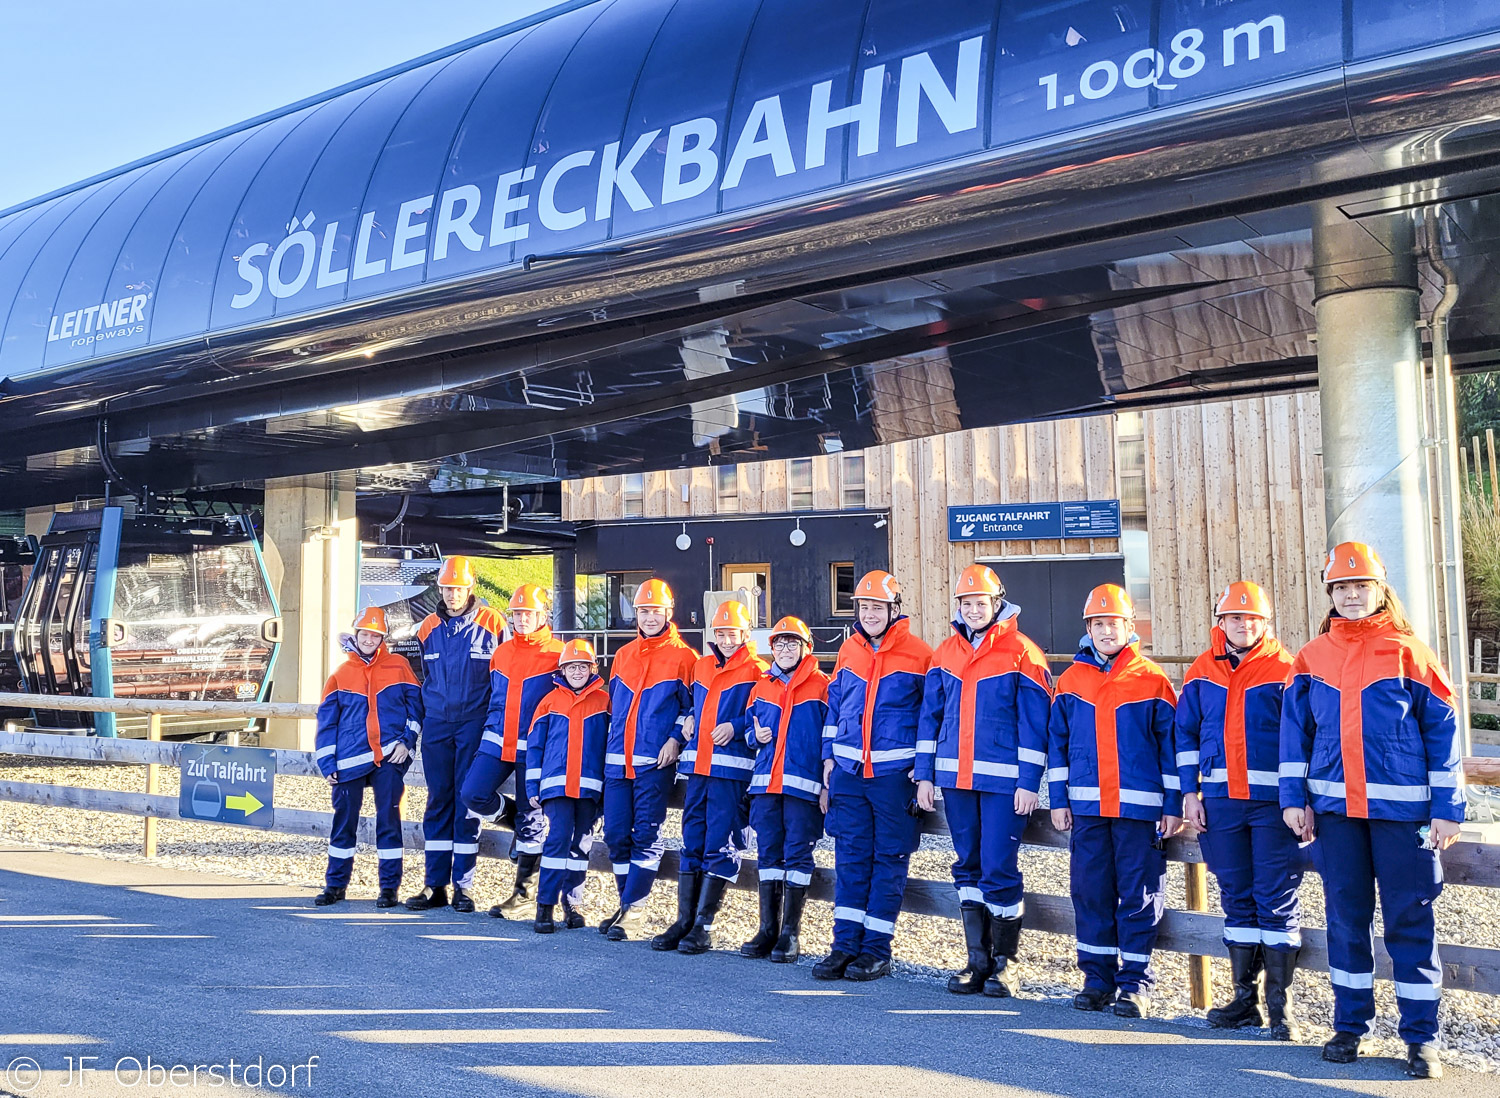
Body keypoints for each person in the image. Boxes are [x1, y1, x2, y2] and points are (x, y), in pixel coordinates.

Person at [1280, 542, 1464, 1079]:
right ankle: (1350, 1026)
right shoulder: (1312, 656)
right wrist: (1295, 799)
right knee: (1345, 920)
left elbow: (1443, 733)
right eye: (1341, 587)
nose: (1352, 594)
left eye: (1360, 586)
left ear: (1381, 589)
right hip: (1335, 815)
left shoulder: (1412, 652)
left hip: (1402, 816)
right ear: (1330, 594)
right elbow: (1295, 736)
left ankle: (1421, 1039)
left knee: (1411, 920)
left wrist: (1448, 807)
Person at [916, 564, 1052, 997]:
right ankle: (976, 961)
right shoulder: (944, 654)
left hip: (1003, 785)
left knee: (998, 867)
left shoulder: (1023, 653)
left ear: (998, 604)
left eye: (981, 603)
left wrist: (1030, 782)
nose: (974, 609)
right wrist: (924, 776)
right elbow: (930, 719)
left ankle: (1004, 964)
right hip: (956, 780)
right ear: (958, 607)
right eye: (966, 603)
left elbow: (1036, 726)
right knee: (967, 866)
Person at [1177, 581, 1301, 1039]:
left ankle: (1280, 1008)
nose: (1242, 624)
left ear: (1264, 622)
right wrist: (1189, 794)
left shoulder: (1287, 669)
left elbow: (1299, 740)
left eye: (1251, 618)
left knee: (1276, 898)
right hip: (1222, 805)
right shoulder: (1200, 672)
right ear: (1221, 621)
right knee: (1236, 895)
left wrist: (1296, 800)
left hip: (1272, 807)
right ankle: (1244, 1001)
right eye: (1234, 617)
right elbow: (1185, 736)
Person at [1048, 583, 1180, 1018]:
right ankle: (1097, 980)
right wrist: (1058, 799)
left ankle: (1135, 984)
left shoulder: (1152, 680)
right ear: (1089, 628)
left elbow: (1171, 750)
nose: (1107, 631)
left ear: (1130, 627)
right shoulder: (1070, 681)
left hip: (1138, 813)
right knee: (1089, 892)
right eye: (1099, 624)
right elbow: (1058, 746)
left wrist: (1173, 804)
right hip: (1087, 810)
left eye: (1115, 623)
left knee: (1138, 895)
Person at [815, 570, 933, 982]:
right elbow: (834, 709)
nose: (869, 614)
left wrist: (924, 773)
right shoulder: (848, 651)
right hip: (848, 774)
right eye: (863, 607)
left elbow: (930, 720)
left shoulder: (920, 655)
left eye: (877, 607)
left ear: (893, 609)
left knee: (888, 861)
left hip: (893, 777)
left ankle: (876, 950)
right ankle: (844, 946)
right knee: (850, 859)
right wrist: (828, 757)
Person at [651, 599, 767, 954]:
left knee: (721, 843)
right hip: (697, 769)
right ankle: (684, 920)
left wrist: (737, 725)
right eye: (721, 633)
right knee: (692, 841)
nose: (727, 639)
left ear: (746, 633)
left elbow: (766, 714)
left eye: (733, 633)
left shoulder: (758, 670)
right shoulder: (701, 666)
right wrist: (684, 723)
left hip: (731, 773)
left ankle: (703, 925)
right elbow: (688, 706)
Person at [406, 556, 506, 912]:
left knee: (466, 804)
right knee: (437, 801)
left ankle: (464, 887)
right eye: (447, 588)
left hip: (474, 723)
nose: (452, 595)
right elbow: (422, 679)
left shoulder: (494, 623)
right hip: (437, 724)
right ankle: (435, 886)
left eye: (458, 589)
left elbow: (504, 679)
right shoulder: (426, 628)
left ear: (470, 588)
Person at [459, 583, 565, 920]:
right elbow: (495, 697)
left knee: (532, 819)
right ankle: (517, 822)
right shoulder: (501, 653)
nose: (521, 619)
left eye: (528, 613)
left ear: (542, 616)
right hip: (497, 739)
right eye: (517, 613)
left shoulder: (558, 654)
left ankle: (522, 896)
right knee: (473, 793)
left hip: (535, 747)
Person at [600, 579, 698, 941]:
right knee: (614, 834)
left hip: (654, 763)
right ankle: (626, 903)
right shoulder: (624, 655)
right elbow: (613, 709)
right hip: (616, 762)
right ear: (636, 614)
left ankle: (635, 910)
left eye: (656, 611)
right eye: (644, 611)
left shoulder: (686, 658)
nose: (650, 617)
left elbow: (691, 710)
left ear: (669, 613)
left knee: (646, 833)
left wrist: (675, 740)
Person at [313, 608, 422, 908]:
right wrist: (327, 762)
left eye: (376, 635)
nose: (370, 639)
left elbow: (416, 710)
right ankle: (335, 885)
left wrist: (407, 742)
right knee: (344, 822)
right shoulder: (340, 674)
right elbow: (326, 723)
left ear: (383, 638)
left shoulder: (399, 666)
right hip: (349, 761)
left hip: (389, 756)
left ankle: (389, 888)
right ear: (355, 634)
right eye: (365, 634)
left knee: (389, 820)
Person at [743, 616, 830, 963]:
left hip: (802, 789)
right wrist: (754, 736)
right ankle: (768, 929)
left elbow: (830, 740)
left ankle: (790, 933)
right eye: (779, 643)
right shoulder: (761, 687)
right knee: (768, 856)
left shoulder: (823, 686)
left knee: (797, 856)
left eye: (792, 643)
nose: (785, 649)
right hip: (765, 786)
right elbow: (749, 733)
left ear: (806, 648)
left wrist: (826, 786)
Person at [524, 638, 610, 933]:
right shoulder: (549, 702)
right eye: (571, 667)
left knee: (581, 844)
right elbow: (534, 746)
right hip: (555, 787)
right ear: (562, 670)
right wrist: (532, 785)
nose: (577, 672)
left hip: (589, 788)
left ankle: (571, 904)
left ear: (592, 668)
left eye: (582, 666)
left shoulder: (604, 701)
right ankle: (544, 906)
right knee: (558, 840)